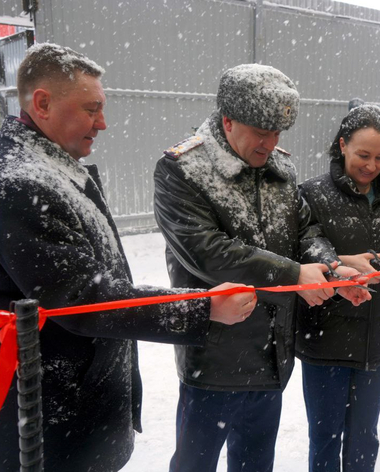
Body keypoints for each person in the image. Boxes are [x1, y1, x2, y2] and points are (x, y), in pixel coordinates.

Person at [0, 43, 255, 472]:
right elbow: (81, 298)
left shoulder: (53, 162)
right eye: (91, 109)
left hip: (79, 408)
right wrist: (203, 307)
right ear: (42, 103)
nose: (103, 122)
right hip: (50, 425)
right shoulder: (20, 183)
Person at [153, 64, 368, 472]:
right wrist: (293, 275)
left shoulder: (278, 167)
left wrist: (329, 267)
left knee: (255, 463)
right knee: (194, 464)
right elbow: (206, 251)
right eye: (261, 132)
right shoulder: (182, 169)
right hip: (214, 358)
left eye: (278, 134)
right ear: (227, 120)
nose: (270, 143)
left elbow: (306, 230)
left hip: (271, 355)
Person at [297, 105, 380, 472]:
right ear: (342, 146)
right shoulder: (312, 194)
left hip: (378, 332)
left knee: (365, 434)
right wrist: (336, 263)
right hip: (326, 333)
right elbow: (304, 245)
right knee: (325, 435)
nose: (371, 166)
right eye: (363, 155)